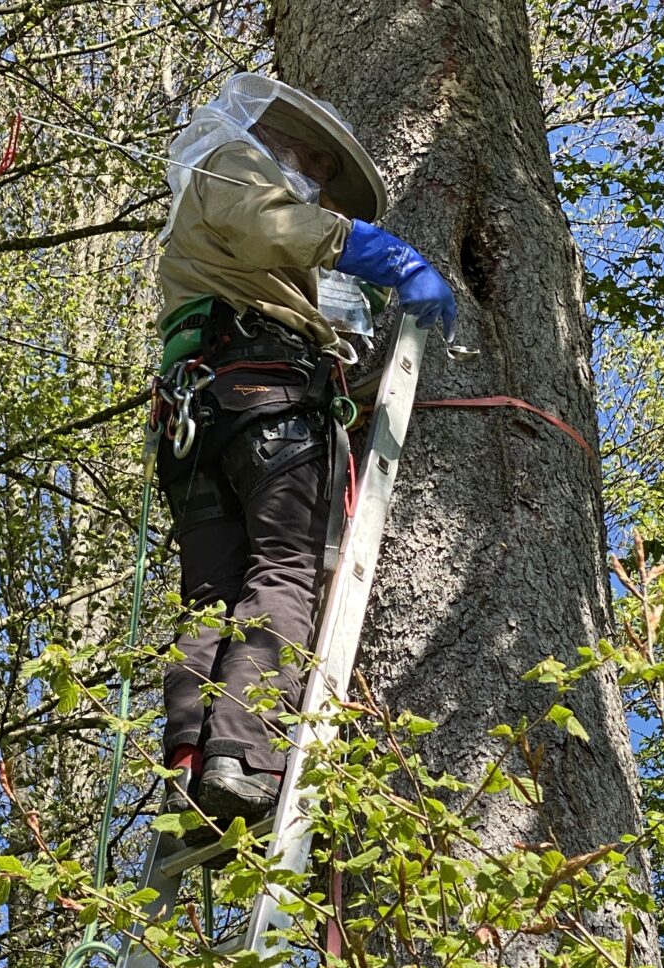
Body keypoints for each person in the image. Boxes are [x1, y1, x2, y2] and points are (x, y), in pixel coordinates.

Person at [155, 73, 456, 832]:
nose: (319, 187)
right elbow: (274, 226)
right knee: (284, 568)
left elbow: (273, 266)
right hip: (261, 402)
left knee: (211, 597)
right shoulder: (236, 166)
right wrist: (373, 251)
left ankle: (189, 764)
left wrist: (342, 304)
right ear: (284, 143)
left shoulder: (208, 220)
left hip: (198, 420)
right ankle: (244, 758)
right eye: (316, 170)